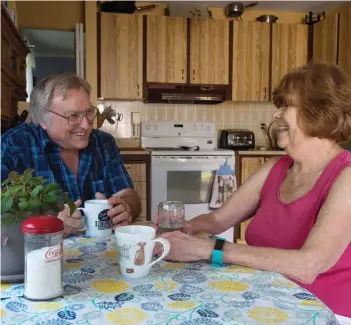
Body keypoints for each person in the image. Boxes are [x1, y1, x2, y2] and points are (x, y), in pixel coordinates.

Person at [158, 62, 351, 320]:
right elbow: (218, 220)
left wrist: (208, 249)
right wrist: (185, 230)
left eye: (285, 106)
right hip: (266, 299)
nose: (276, 115)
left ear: (317, 112)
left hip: (322, 312)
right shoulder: (275, 167)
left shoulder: (346, 177)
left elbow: (308, 266)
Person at [1, 73, 141, 237]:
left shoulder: (103, 142)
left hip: (103, 254)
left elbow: (128, 194)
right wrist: (48, 222)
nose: (86, 123)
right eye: (73, 116)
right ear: (43, 120)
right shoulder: (14, 144)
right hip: (43, 255)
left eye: (89, 112)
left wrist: (125, 206)